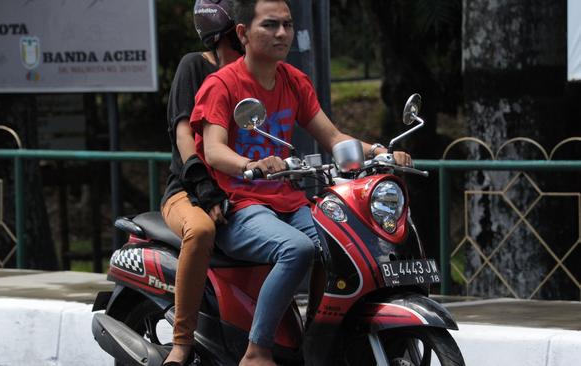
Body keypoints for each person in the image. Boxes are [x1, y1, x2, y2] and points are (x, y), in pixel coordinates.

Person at [190, 0, 412, 365]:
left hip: (288, 201)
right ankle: (256, 350)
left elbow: (333, 137)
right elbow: (213, 151)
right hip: (241, 203)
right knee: (297, 249)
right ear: (243, 33)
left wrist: (378, 152)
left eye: (288, 25)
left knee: (342, 242)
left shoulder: (294, 81)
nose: (282, 33)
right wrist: (253, 164)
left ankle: (317, 341)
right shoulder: (222, 84)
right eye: (270, 25)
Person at [160, 1, 242, 365]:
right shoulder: (194, 66)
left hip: (239, 188)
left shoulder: (253, 75)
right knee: (202, 231)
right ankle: (181, 342)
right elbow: (183, 136)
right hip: (187, 190)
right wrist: (204, 186)